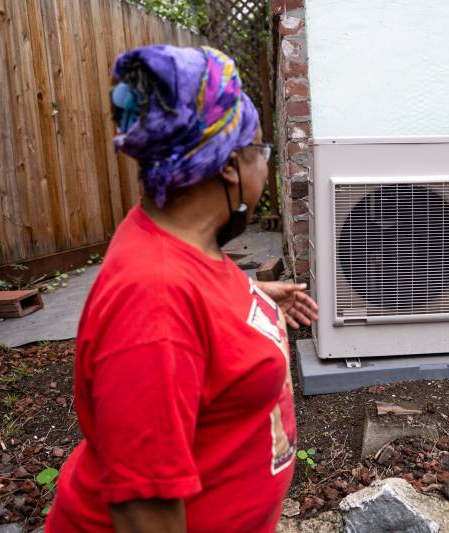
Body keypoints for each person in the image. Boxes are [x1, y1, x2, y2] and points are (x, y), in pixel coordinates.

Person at [46, 45, 318, 533]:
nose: (265, 167)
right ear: (231, 164)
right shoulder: (153, 302)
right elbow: (142, 509)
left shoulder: (181, 236)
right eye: (261, 151)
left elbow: (199, 299)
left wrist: (249, 299)